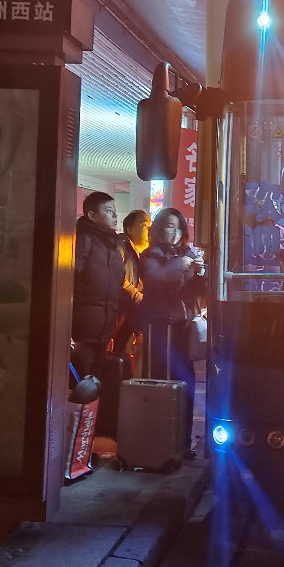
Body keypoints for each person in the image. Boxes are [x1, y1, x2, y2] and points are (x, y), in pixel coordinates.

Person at [139, 208, 206, 460]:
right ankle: (159, 446)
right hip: (160, 328)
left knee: (185, 384)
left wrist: (200, 272)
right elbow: (155, 280)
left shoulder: (187, 254)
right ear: (158, 229)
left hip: (182, 328)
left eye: (179, 227)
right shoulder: (150, 255)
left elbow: (199, 290)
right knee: (163, 385)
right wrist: (180, 266)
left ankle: (182, 443)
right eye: (169, 226)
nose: (175, 232)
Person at [71, 191, 127, 380]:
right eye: (109, 210)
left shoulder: (112, 244)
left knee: (96, 379)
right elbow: (71, 277)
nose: (115, 215)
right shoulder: (83, 240)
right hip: (84, 326)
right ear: (92, 215)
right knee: (82, 378)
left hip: (105, 325)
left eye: (115, 210)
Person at [114, 209, 151, 362]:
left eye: (150, 225)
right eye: (144, 225)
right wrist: (138, 297)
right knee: (117, 353)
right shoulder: (120, 246)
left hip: (132, 313)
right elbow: (118, 277)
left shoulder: (144, 253)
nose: (149, 229)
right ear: (130, 229)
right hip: (120, 312)